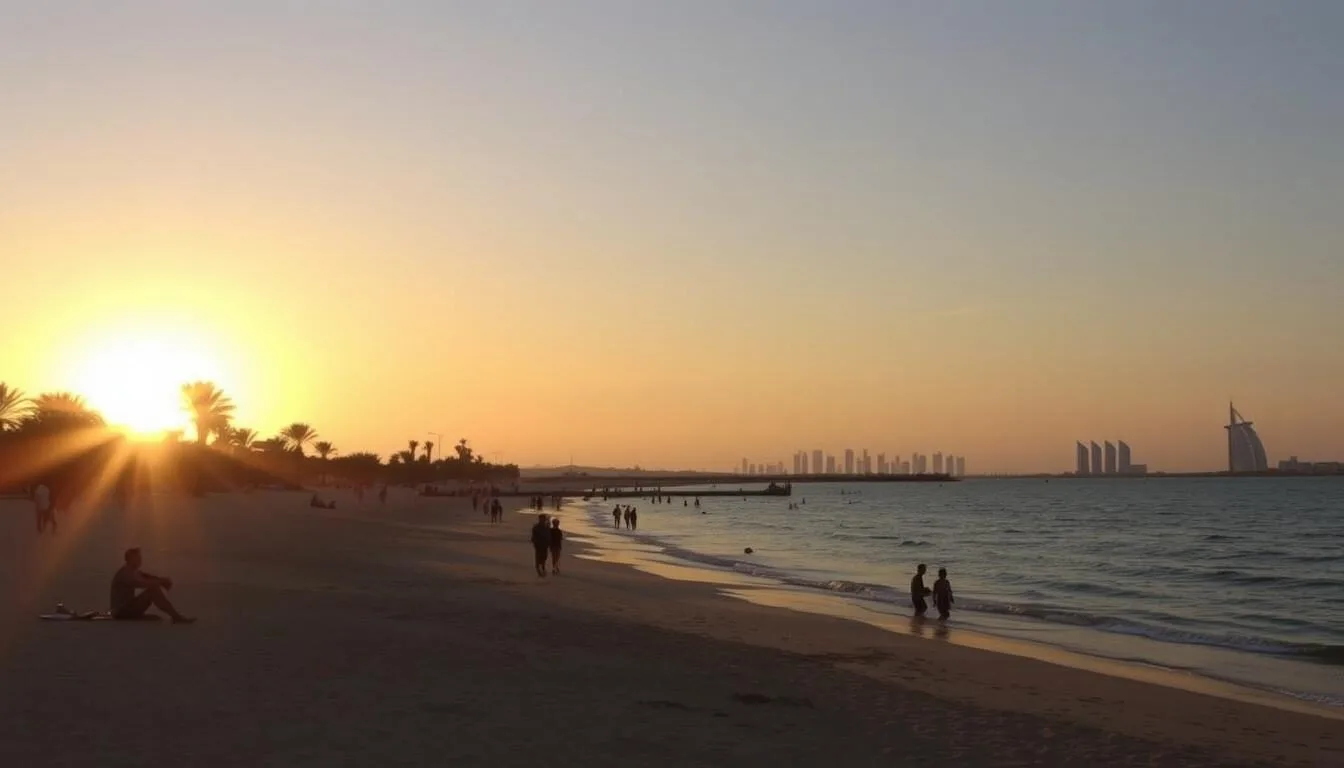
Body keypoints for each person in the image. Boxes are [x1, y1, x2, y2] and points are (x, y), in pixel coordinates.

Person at [110, 548, 195, 623]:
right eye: (137, 558)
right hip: (121, 612)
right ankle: (176, 617)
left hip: (126, 609)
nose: (140, 560)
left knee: (153, 589)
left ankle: (175, 615)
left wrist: (161, 580)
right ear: (130, 559)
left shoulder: (133, 571)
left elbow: (148, 577)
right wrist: (161, 582)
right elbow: (142, 583)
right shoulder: (125, 573)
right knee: (153, 591)